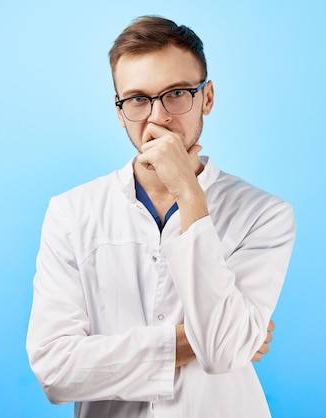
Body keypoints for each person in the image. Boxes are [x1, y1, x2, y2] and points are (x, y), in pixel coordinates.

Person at [26, 15, 296, 418]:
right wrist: (197, 339)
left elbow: (222, 353)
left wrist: (189, 193)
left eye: (176, 94)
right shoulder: (71, 213)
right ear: (119, 112)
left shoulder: (264, 215)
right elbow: (56, 371)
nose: (157, 117)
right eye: (137, 99)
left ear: (207, 98)